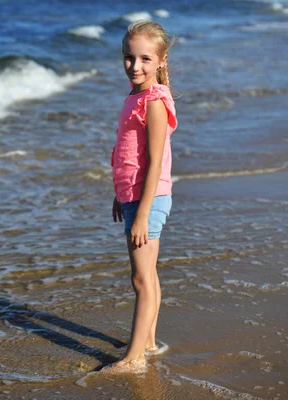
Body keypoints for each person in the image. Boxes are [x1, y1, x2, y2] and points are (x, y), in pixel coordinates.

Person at [101, 20, 177, 374]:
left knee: (141, 280)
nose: (135, 66)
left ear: (161, 60)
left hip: (149, 199)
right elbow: (130, 155)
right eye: (129, 58)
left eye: (145, 59)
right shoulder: (135, 96)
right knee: (149, 275)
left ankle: (134, 359)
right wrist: (122, 195)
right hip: (135, 197)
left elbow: (156, 161)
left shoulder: (155, 102)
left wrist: (143, 212)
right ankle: (147, 342)